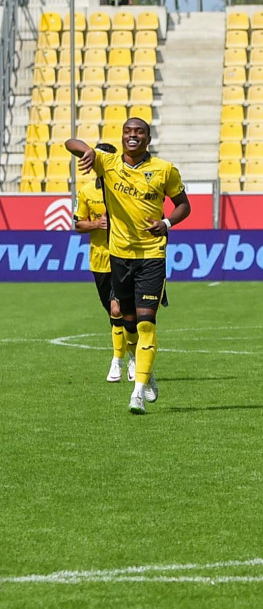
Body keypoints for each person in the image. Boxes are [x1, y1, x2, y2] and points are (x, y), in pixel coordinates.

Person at [65, 119, 190, 414]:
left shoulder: (164, 169)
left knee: (146, 322)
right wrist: (88, 151)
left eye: (139, 132)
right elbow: (70, 143)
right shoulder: (107, 163)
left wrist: (167, 222)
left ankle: (138, 391)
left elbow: (184, 205)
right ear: (122, 136)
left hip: (152, 255)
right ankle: (144, 366)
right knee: (128, 323)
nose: (133, 135)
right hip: (118, 256)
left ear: (148, 138)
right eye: (128, 131)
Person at [73, 142, 134, 383]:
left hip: (124, 257)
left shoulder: (125, 188)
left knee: (119, 309)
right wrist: (96, 224)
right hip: (99, 260)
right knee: (113, 313)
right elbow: (78, 224)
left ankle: (120, 361)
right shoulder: (86, 192)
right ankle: (130, 356)